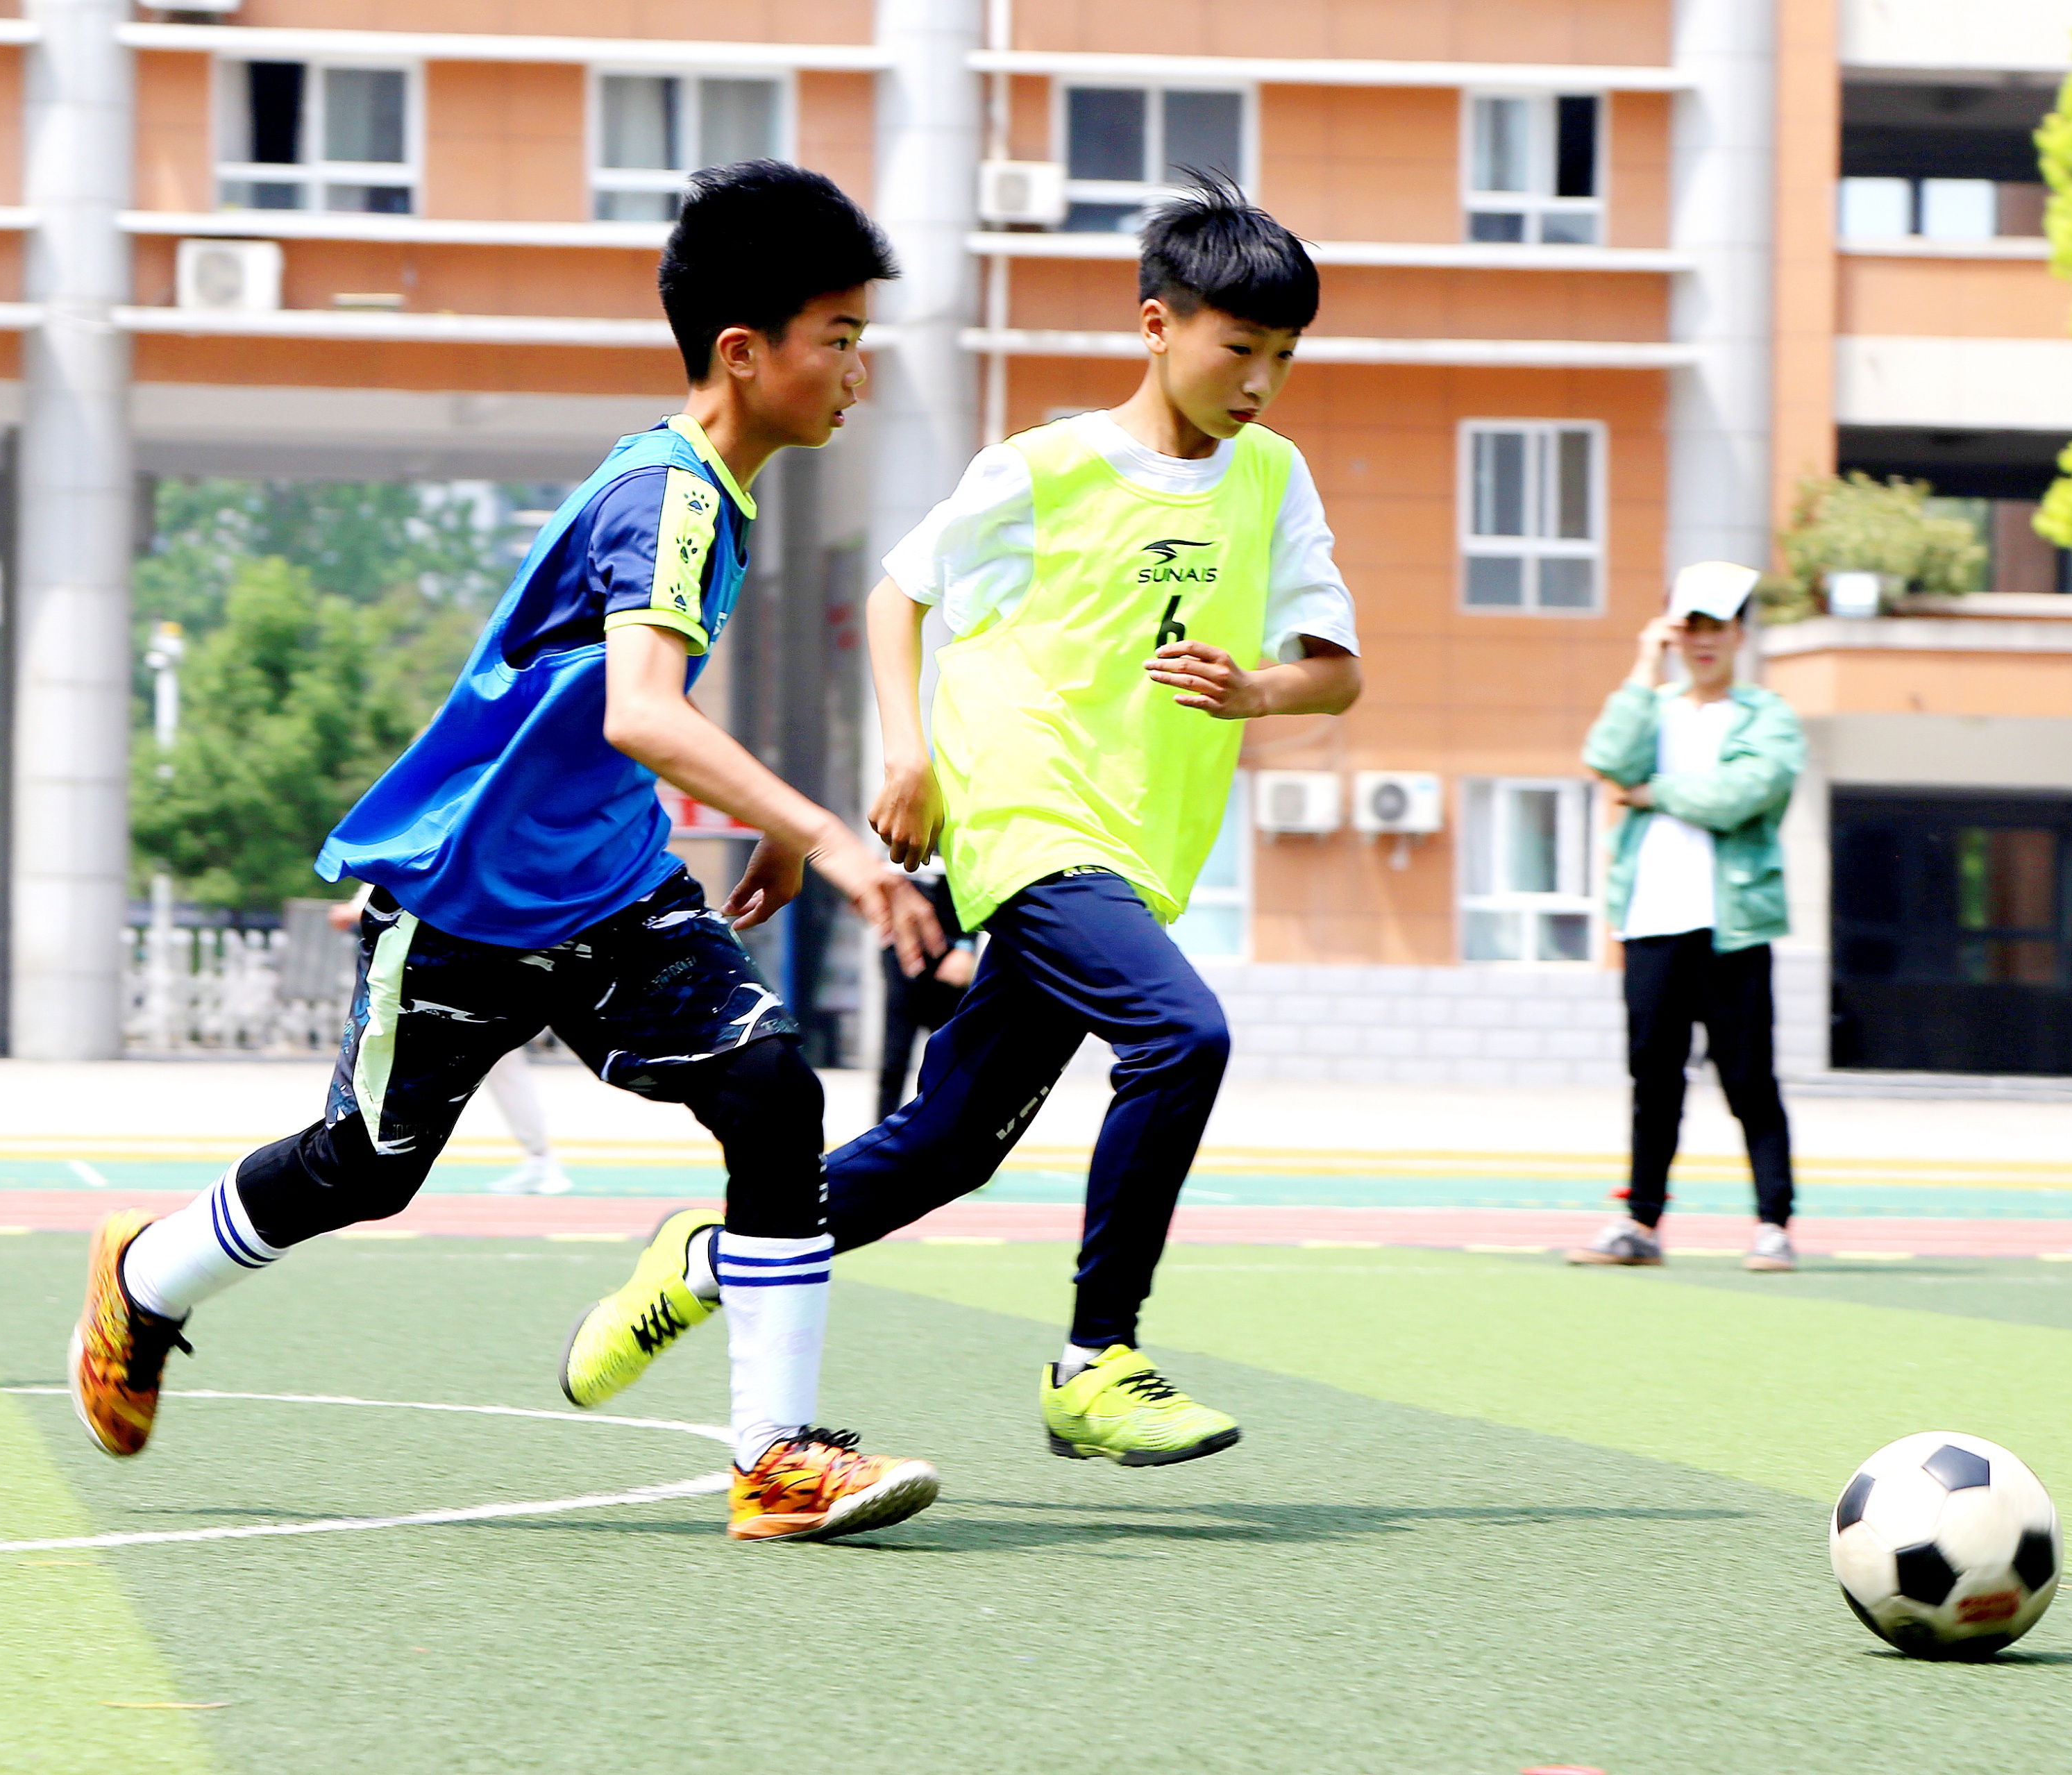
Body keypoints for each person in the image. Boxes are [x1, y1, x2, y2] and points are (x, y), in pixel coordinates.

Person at [71, 162, 949, 1544]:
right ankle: (148, 1279)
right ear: (746, 351)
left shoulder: (707, 493)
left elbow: (623, 716)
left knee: (775, 1100)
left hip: (611, 896)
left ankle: (776, 1458)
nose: (858, 374)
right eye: (839, 340)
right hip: (464, 902)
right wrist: (828, 834)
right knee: (366, 1168)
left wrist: (764, 828)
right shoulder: (669, 500)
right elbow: (640, 710)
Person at [562, 176, 1362, 1468]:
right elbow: (899, 594)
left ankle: (701, 1258)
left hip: (1137, 850)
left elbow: (1334, 669)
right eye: (1238, 348)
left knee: (942, 1150)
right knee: (1181, 1032)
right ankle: (1097, 1357)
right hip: (1030, 822)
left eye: (1282, 357)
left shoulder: (1271, 479)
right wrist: (910, 754)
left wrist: (1254, 685)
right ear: (1156, 326)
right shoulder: (1042, 467)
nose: (1260, 380)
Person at [1567, 561, 1806, 1273]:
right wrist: (1644, 663)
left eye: (1718, 626)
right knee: (1654, 1076)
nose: (1705, 641)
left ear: (1740, 633)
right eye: (1691, 626)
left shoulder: (1770, 717)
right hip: (1650, 921)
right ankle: (1639, 1223)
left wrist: (1656, 792)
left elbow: (1744, 792)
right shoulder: (1655, 706)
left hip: (1734, 926)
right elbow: (1606, 757)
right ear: (1675, 632)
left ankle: (1774, 1224)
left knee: (1749, 1078)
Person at [328, 889, 569, 1195]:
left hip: (463, 984)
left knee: (497, 1071)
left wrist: (353, 913)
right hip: (446, 984)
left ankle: (541, 1159)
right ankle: (539, 1158)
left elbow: (361, 912)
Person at [875, 866, 975, 1121]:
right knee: (894, 1059)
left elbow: (975, 884)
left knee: (950, 1058)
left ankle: (950, 1129)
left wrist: (967, 946)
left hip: (949, 951)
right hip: (901, 954)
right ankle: (880, 1136)